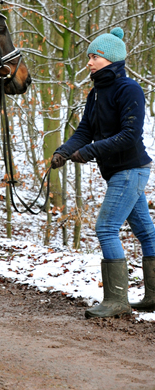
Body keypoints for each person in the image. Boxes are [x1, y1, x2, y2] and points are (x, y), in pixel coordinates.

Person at [51, 27, 155, 318]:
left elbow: (129, 135)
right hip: (119, 171)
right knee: (146, 231)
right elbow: (85, 130)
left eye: (94, 57)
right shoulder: (96, 94)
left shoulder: (129, 89)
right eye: (89, 57)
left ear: (110, 59)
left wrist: (89, 152)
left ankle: (116, 301)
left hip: (131, 168)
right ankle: (153, 297)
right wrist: (63, 151)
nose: (89, 62)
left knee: (106, 228)